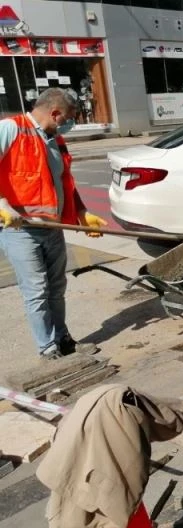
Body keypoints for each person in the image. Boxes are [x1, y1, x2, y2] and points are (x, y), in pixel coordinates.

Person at [0, 87, 108, 360]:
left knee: (57, 287)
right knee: (36, 290)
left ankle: (63, 340)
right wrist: (2, 206)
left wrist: (82, 212)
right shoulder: (11, 129)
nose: (69, 124)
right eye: (70, 117)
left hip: (54, 228)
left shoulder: (55, 139)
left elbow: (65, 182)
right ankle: (48, 351)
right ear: (56, 113)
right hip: (20, 229)